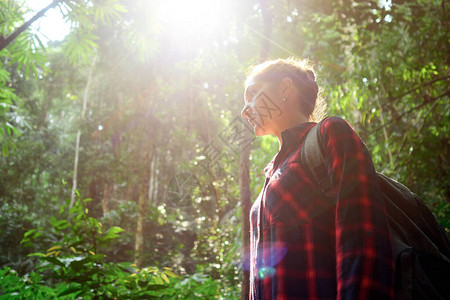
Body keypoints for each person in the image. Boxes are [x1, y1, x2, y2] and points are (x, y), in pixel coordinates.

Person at [241, 58, 394, 299]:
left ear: (284, 88)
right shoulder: (271, 172)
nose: (245, 109)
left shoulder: (329, 133)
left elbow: (361, 236)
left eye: (252, 94)